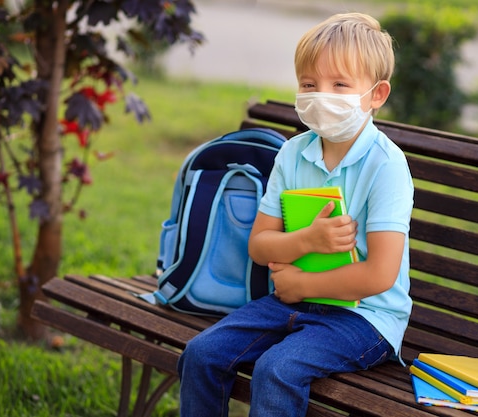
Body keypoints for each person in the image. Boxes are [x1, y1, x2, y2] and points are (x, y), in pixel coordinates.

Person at [177, 12, 414, 417]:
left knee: (277, 369)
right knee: (202, 353)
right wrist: (308, 241)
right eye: (309, 84)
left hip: (365, 318)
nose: (322, 95)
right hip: (294, 300)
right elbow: (259, 245)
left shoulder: (386, 166)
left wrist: (301, 283)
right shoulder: (294, 152)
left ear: (377, 95)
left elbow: (379, 276)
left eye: (340, 84)